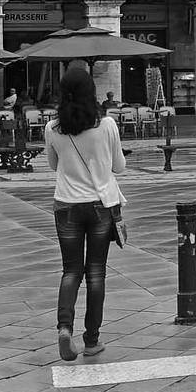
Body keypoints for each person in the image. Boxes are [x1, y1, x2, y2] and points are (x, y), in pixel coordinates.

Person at [42, 65, 127, 362]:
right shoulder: (107, 125)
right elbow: (119, 167)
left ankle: (64, 327)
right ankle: (91, 340)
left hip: (66, 204)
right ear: (91, 92)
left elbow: (54, 165)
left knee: (70, 270)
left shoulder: (52, 128)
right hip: (100, 205)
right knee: (96, 273)